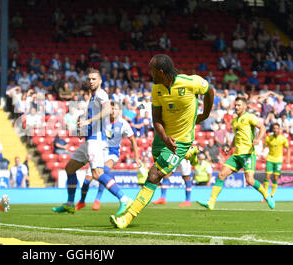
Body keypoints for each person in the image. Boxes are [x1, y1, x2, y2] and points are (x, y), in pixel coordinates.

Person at [110, 54, 215, 229]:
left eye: (151, 69)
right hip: (162, 138)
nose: (149, 73)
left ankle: (127, 218)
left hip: (181, 140)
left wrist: (205, 114)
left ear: (160, 71)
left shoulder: (190, 82)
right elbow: (156, 118)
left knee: (154, 175)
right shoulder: (156, 88)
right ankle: (190, 153)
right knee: (162, 171)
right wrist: (165, 138)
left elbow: (210, 91)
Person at [52, 69, 132, 215]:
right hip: (89, 140)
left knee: (97, 174)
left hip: (97, 141)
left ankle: (124, 198)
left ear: (100, 81)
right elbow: (95, 120)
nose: (91, 81)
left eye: (94, 79)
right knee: (70, 168)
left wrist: (88, 120)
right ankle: (70, 203)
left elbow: (107, 109)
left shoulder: (101, 94)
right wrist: (83, 131)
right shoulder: (93, 98)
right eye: (89, 79)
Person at [197, 97, 274, 211]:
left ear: (245, 106)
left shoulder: (249, 117)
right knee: (221, 175)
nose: (236, 107)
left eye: (239, 105)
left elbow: (262, 127)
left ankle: (267, 196)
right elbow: (237, 136)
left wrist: (258, 139)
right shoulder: (235, 120)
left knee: (250, 180)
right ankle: (211, 202)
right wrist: (230, 147)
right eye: (235, 105)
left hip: (247, 154)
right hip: (237, 155)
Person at [76, 100, 141, 211]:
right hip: (99, 152)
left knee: (104, 171)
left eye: (115, 109)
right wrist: (80, 130)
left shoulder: (123, 124)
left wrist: (136, 157)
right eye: (111, 108)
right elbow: (86, 131)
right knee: (87, 180)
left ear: (119, 111)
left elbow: (133, 140)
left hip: (112, 153)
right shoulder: (102, 120)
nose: (113, 111)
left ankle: (97, 199)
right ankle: (82, 201)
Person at [263, 123, 290, 199]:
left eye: (277, 128)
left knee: (275, 177)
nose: (275, 130)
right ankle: (265, 195)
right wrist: (263, 152)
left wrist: (288, 158)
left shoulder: (283, 138)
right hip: (270, 159)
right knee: (267, 176)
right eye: (274, 128)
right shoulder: (268, 138)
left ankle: (271, 195)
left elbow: (288, 148)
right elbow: (264, 146)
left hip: (278, 160)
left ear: (279, 129)